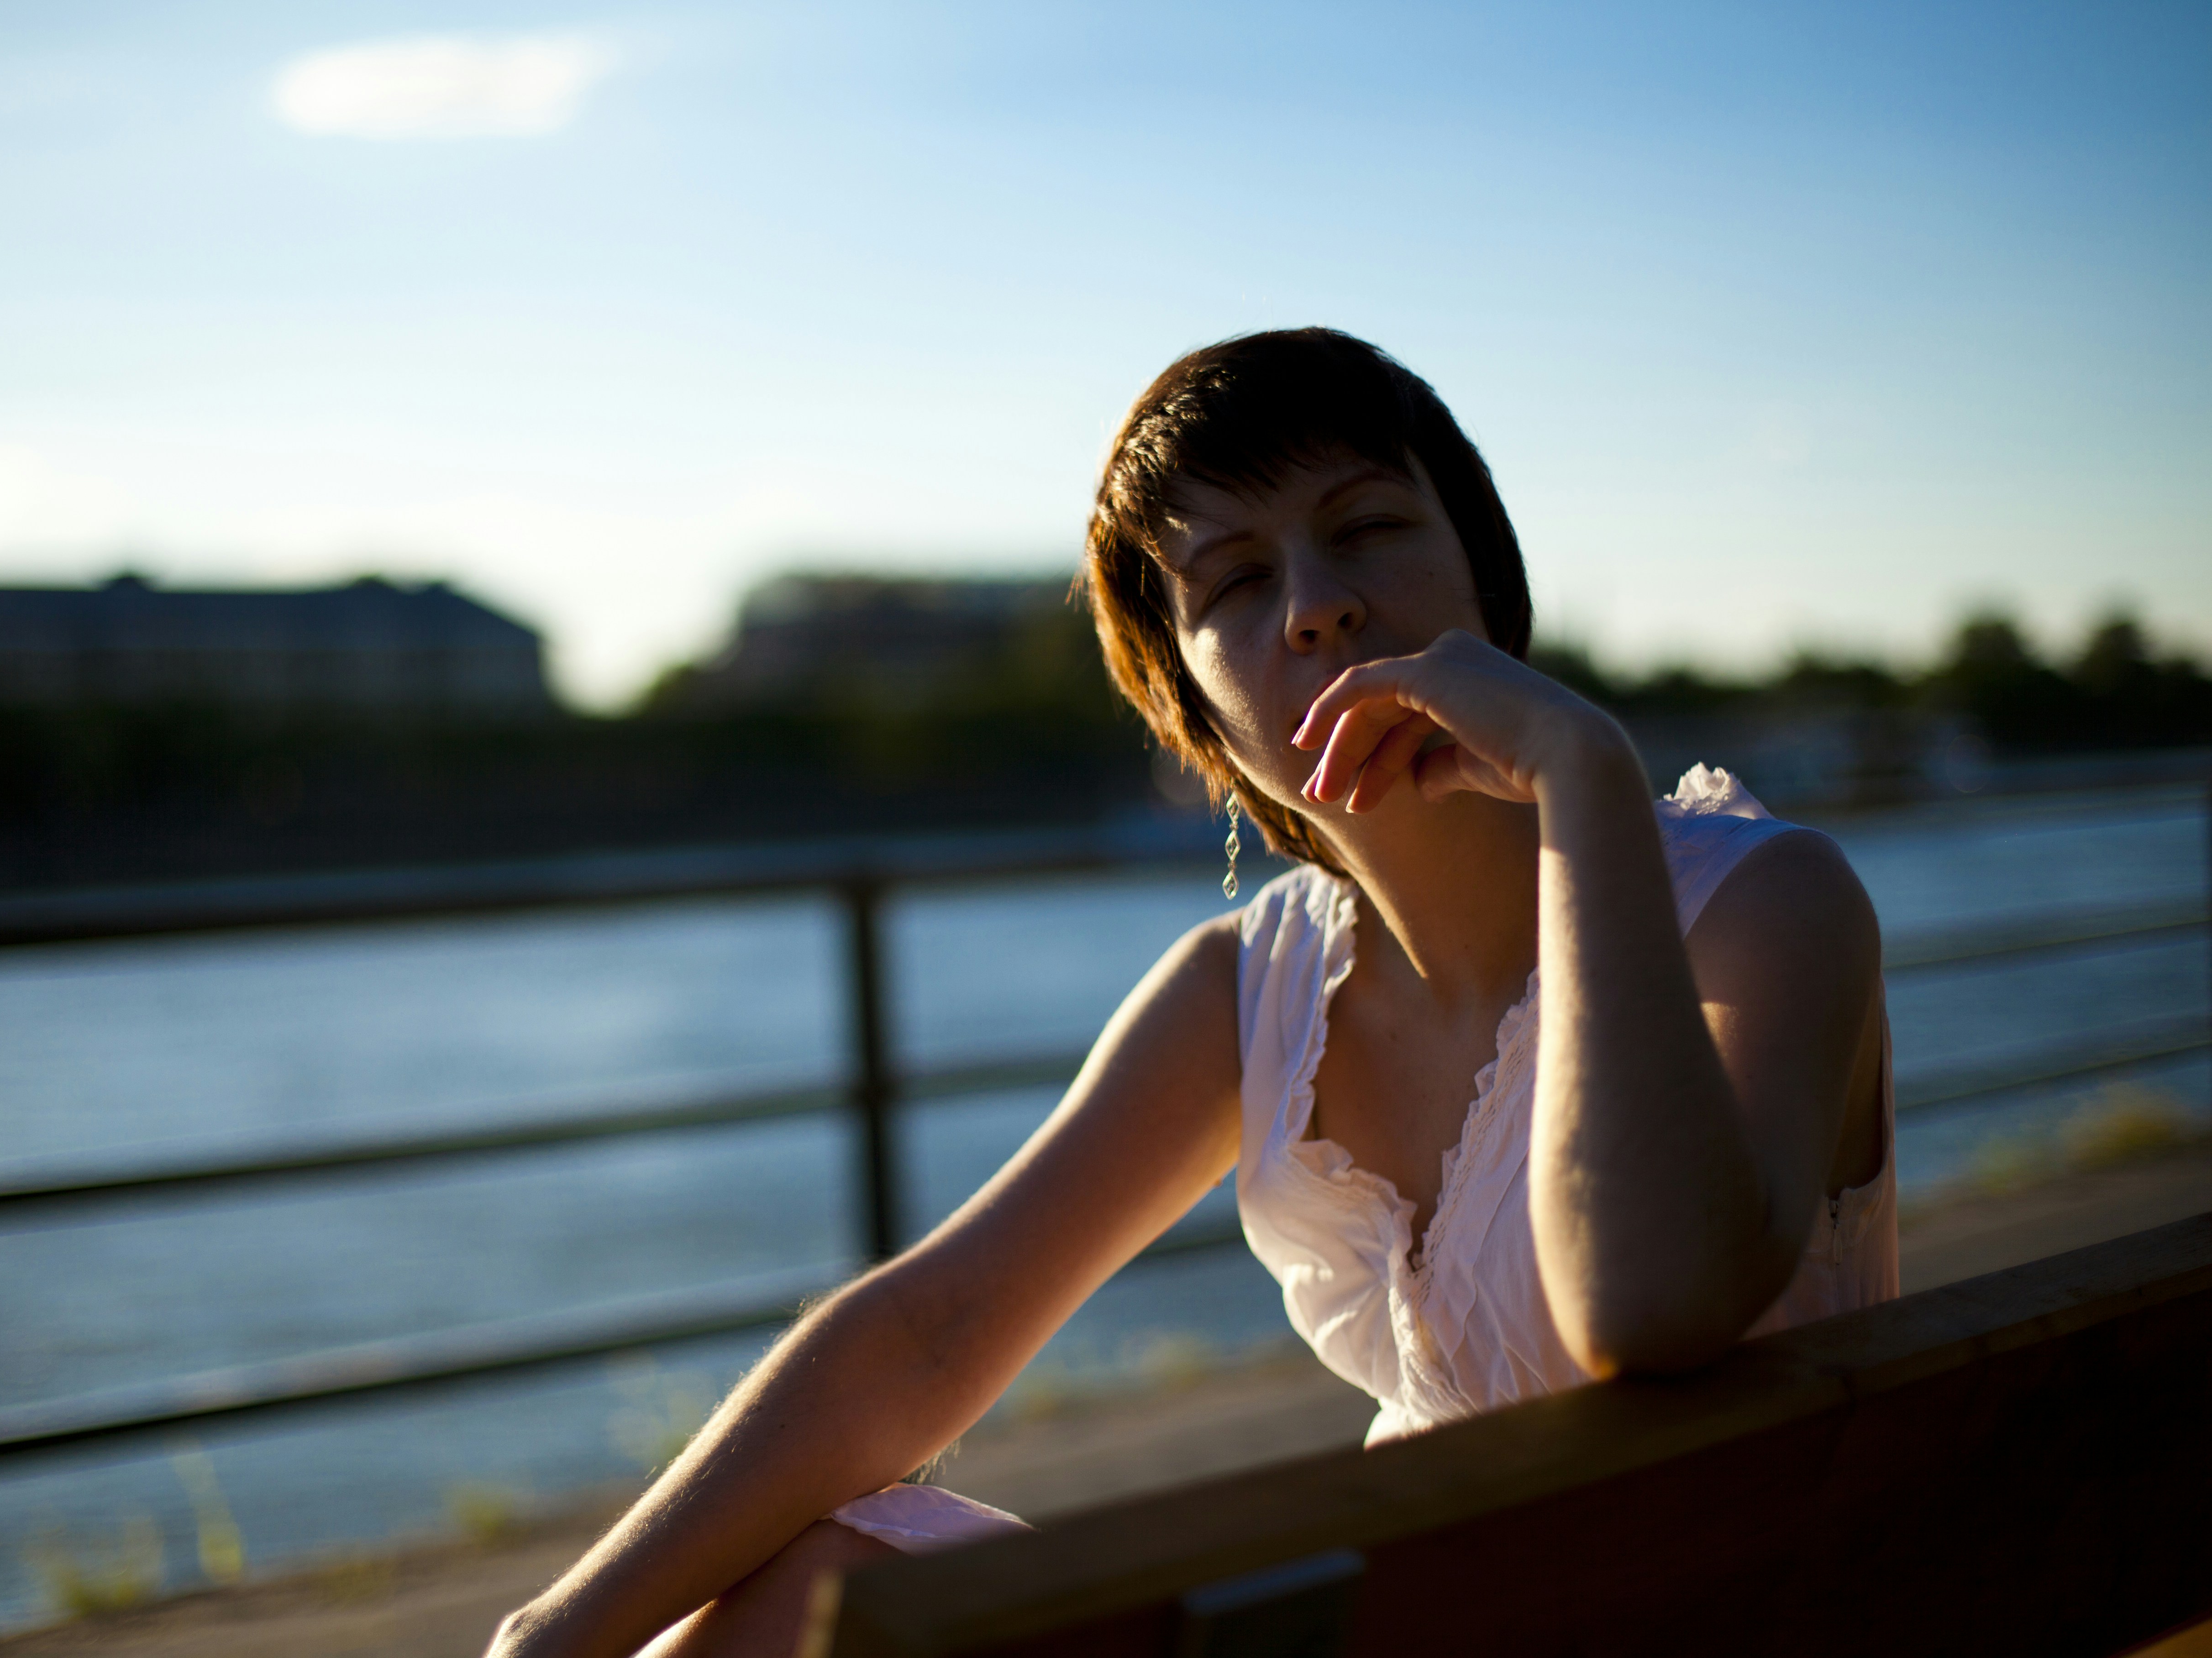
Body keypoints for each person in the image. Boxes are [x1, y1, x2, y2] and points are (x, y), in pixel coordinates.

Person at [487, 328, 1898, 1658]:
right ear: (1198, 718)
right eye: (1233, 583)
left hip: (1704, 1616)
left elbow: (1646, 1309)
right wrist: (544, 1640)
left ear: (1486, 580)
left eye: (1368, 529)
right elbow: (930, 1333)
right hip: (1418, 1620)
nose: (1319, 605)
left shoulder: (1761, 906)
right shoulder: (1250, 989)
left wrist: (1583, 780)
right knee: (833, 1581)